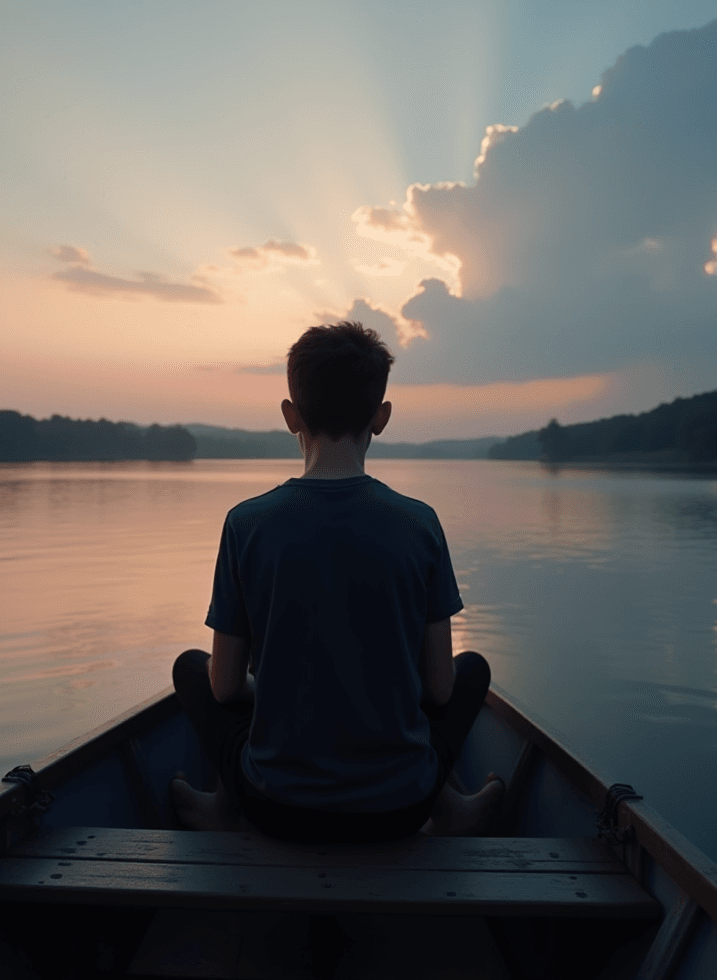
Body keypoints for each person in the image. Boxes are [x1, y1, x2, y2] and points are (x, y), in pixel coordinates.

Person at [170, 321, 502, 842]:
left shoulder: (246, 523)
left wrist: (274, 688)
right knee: (472, 670)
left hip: (275, 807)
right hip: (400, 809)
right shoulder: (420, 523)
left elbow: (225, 686)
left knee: (192, 668)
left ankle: (223, 807)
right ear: (382, 417)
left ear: (289, 416)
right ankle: (452, 809)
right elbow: (439, 691)